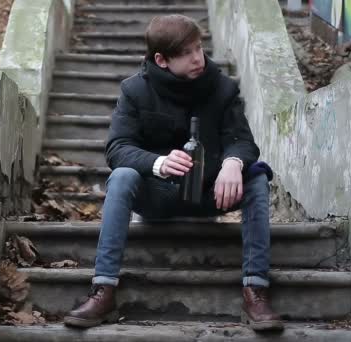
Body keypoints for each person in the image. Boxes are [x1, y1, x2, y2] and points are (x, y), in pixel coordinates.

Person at [63, 14, 283, 331]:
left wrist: (233, 163)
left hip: (212, 194)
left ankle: (256, 290)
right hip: (157, 197)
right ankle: (104, 290)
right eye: (187, 53)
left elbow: (243, 142)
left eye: (199, 47)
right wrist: (158, 163)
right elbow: (117, 148)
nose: (198, 57)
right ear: (161, 60)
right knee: (123, 176)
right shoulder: (135, 91)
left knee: (258, 176)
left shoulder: (222, 88)